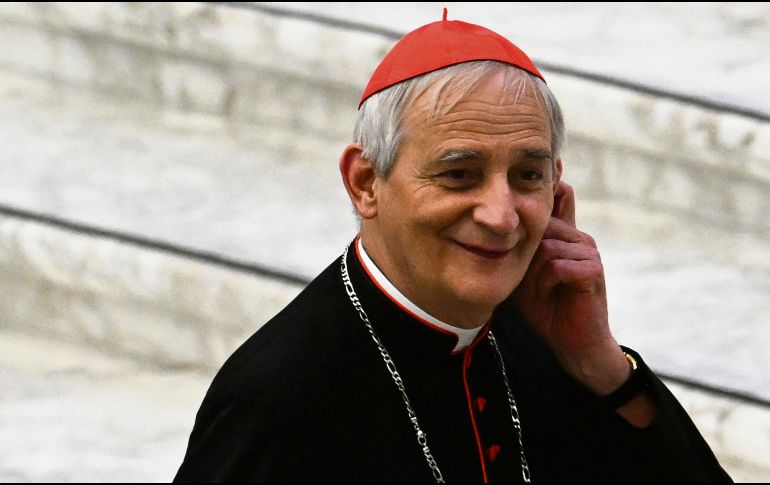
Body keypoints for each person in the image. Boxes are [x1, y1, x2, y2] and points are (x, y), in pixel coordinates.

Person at [175, 12, 731, 482]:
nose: (502, 215)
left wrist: (600, 364)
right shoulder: (277, 397)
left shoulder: (551, 340)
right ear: (366, 183)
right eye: (459, 175)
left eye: (527, 176)